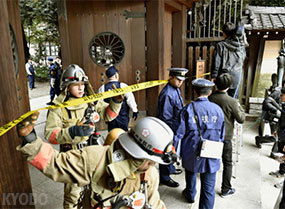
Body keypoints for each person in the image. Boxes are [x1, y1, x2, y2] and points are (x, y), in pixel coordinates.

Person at [17, 116, 177, 209]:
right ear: (136, 154)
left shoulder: (150, 175)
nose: (152, 166)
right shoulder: (95, 159)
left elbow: (154, 203)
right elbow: (56, 164)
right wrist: (30, 139)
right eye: (149, 162)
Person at [44, 64, 122, 209]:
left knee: (96, 190)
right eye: (75, 85)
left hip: (92, 153)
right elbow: (50, 135)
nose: (80, 88)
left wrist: (116, 102)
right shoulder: (58, 107)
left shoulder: (91, 100)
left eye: (82, 84)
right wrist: (72, 132)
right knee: (73, 195)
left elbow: (108, 115)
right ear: (67, 86)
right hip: (72, 156)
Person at [174, 78, 224, 208]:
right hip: (212, 149)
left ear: (195, 91)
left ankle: (190, 195)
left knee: (190, 171)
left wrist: (173, 149)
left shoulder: (188, 109)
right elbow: (222, 134)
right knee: (208, 186)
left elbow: (179, 133)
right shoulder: (218, 110)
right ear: (210, 91)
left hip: (192, 148)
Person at [209, 73, 245, 197]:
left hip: (211, 137)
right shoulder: (232, 101)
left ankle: (208, 186)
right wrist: (240, 109)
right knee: (227, 162)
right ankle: (226, 188)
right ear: (229, 86)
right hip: (226, 137)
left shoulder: (209, 98)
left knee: (210, 160)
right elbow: (241, 119)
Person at [157, 68, 188, 188]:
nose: (180, 82)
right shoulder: (167, 94)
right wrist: (173, 130)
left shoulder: (175, 89)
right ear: (171, 77)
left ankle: (170, 168)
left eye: (182, 80)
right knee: (166, 151)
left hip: (174, 126)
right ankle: (165, 177)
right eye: (178, 80)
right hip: (169, 128)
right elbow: (166, 118)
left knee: (172, 150)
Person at [211, 22, 246, 98]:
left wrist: (214, 76)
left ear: (224, 33)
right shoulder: (241, 46)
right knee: (233, 99)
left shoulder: (221, 45)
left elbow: (217, 62)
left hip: (224, 76)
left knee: (221, 98)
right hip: (237, 76)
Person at [98, 66, 139, 131]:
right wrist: (135, 110)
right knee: (123, 132)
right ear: (116, 75)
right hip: (123, 115)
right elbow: (130, 99)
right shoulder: (123, 86)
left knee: (112, 132)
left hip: (110, 115)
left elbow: (99, 103)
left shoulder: (102, 88)